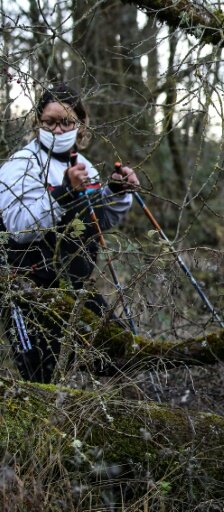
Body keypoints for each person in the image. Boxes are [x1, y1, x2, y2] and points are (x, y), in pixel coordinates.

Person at [0, 83, 140, 383]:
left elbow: (99, 221)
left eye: (66, 121)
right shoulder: (21, 165)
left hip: (75, 286)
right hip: (27, 289)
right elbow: (19, 228)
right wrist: (63, 193)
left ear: (80, 125)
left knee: (117, 352)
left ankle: (93, 418)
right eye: (50, 121)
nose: (58, 129)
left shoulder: (85, 166)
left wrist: (115, 191)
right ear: (38, 121)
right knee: (41, 378)